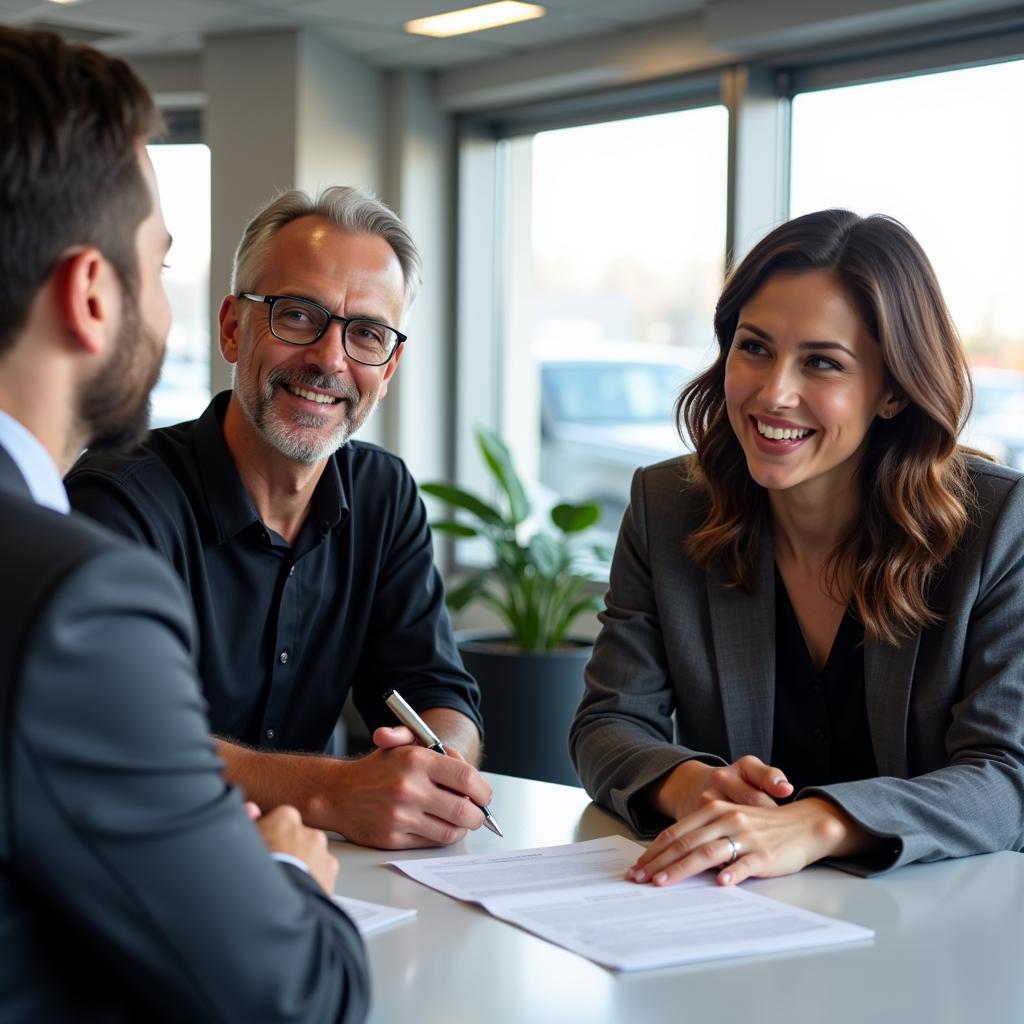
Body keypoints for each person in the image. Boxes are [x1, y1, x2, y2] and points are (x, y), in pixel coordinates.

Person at [0, 26, 369, 1021]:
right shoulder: (73, 592)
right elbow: (296, 996)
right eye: (157, 265)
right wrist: (288, 875)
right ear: (90, 294)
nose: (157, 303)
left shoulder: (380, 494)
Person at [570, 208, 1024, 886]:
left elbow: (1006, 778)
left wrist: (816, 822)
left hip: (934, 930)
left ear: (893, 390)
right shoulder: (666, 508)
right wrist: (693, 786)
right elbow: (607, 723)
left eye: (821, 363)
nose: (773, 393)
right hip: (735, 918)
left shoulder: (998, 523)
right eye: (754, 348)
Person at [66, 186, 491, 850]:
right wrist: (333, 791)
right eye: (298, 316)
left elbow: (435, 687)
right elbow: (112, 736)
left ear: (391, 364)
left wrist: (441, 767)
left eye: (367, 334)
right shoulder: (119, 502)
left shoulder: (384, 495)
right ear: (234, 327)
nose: (329, 359)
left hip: (324, 880)